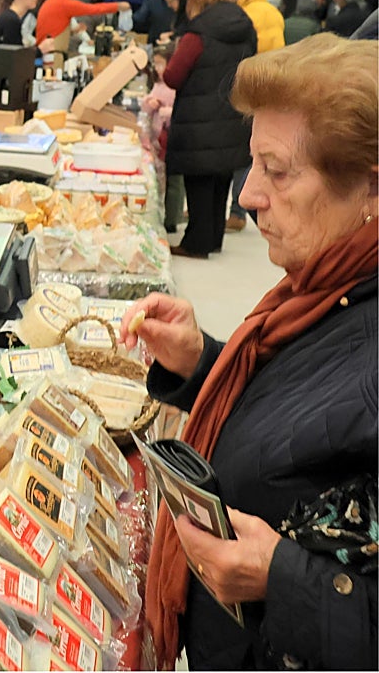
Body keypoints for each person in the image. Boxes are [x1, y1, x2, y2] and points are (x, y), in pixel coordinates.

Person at [122, 33, 377, 670]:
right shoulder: (327, 291)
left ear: (371, 190)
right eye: (252, 163)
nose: (248, 195)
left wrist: (282, 578)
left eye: (278, 171)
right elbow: (307, 412)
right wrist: (202, 362)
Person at [162, 0, 256, 258]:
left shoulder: (197, 34)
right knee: (220, 178)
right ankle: (214, 238)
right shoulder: (245, 27)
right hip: (234, 113)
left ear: (197, 1)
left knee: (199, 180)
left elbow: (173, 76)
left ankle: (196, 243)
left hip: (199, 119)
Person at [214, 0, 283, 233]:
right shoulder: (236, 9)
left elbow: (271, 58)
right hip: (231, 91)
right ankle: (224, 209)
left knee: (245, 154)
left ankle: (237, 212)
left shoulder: (264, 14)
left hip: (252, 96)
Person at [140, 46, 183, 234]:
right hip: (157, 140)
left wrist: (167, 113)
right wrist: (149, 105)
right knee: (158, 178)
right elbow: (146, 109)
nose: (157, 68)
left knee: (174, 181)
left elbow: (181, 113)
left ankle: (172, 219)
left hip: (173, 140)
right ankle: (159, 213)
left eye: (161, 63)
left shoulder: (176, 87)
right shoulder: (157, 85)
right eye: (155, 64)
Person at [35, 0, 129, 43]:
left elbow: (53, 30)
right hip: (51, 53)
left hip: (47, 49)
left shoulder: (51, 1)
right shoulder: (64, 4)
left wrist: (73, 31)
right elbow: (93, 9)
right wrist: (118, 6)